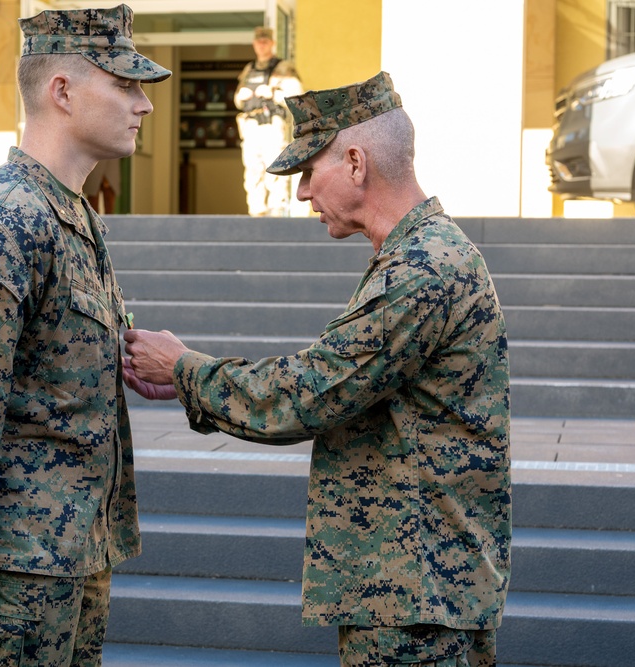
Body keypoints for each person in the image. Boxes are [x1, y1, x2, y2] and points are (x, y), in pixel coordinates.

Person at [123, 72, 511, 667]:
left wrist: (183, 367)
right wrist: (185, 378)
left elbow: (304, 395)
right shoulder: (421, 255)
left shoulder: (423, 269)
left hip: (414, 600)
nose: (302, 192)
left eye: (310, 170)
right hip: (416, 588)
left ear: (356, 162)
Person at [0, 4, 170, 665]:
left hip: (71, 557)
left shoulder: (71, 216)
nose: (145, 105)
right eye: (126, 85)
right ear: (62, 92)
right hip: (13, 574)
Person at [234, 26, 303, 217]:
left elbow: (296, 96)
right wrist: (242, 95)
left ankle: (276, 212)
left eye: (265, 41)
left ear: (272, 43)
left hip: (272, 125)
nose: (261, 46)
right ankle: (256, 213)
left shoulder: (283, 68)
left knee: (274, 169)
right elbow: (237, 100)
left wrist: (273, 93)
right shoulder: (250, 69)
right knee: (253, 171)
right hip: (251, 125)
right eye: (258, 42)